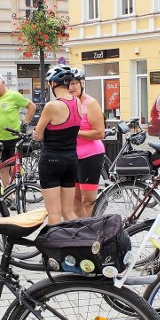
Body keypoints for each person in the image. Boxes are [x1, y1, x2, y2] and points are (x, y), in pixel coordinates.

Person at [33, 65, 81, 225]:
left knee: (54, 213)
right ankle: (78, 243)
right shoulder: (78, 103)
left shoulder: (52, 106)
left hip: (51, 161)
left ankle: (55, 249)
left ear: (53, 84)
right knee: (69, 211)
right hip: (71, 160)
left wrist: (36, 133)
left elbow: (38, 136)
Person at [0, 73, 35, 186]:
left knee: (15, 167)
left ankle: (16, 188)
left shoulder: (14, 95)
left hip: (14, 138)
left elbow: (32, 106)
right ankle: (9, 193)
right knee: (3, 167)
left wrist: (25, 123)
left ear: (3, 83)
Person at [69, 68, 105, 217]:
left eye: (74, 83)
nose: (71, 87)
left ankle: (95, 233)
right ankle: (83, 232)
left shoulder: (90, 104)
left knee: (88, 201)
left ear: (81, 83)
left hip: (90, 156)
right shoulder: (68, 104)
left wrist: (75, 132)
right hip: (73, 157)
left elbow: (99, 133)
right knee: (74, 200)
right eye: (67, 84)